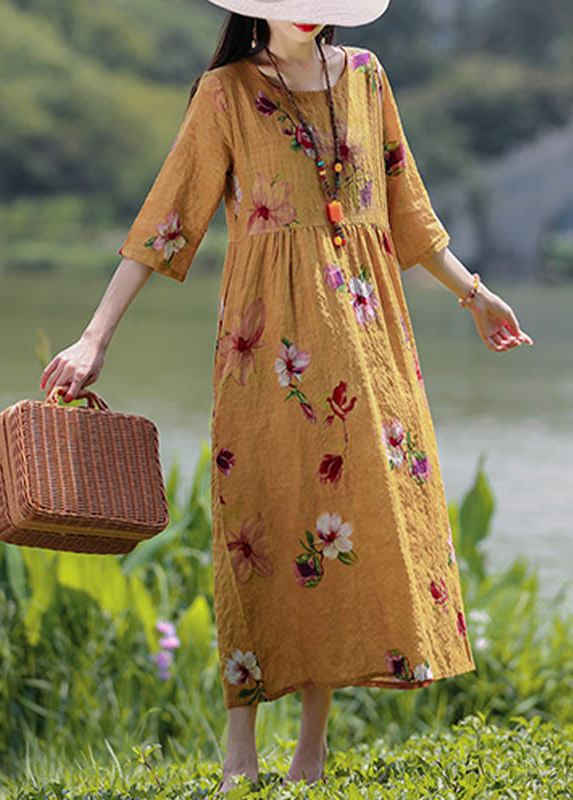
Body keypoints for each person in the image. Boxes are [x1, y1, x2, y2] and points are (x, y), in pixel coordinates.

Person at [40, 0, 534, 794]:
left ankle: (311, 748)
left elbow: (408, 211)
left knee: (341, 533)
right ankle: (240, 743)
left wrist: (475, 294)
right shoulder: (227, 92)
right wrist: (94, 338)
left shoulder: (368, 80)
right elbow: (165, 219)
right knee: (262, 520)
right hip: (269, 349)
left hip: (369, 343)